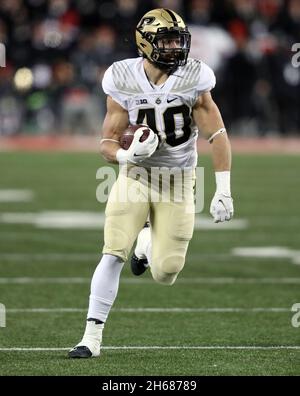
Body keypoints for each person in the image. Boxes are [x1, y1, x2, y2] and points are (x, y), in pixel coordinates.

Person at [68, 8, 234, 358]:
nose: (176, 47)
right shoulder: (122, 77)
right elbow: (107, 143)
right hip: (136, 177)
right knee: (112, 251)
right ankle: (90, 339)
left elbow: (217, 133)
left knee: (166, 271)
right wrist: (127, 157)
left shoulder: (194, 77)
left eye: (178, 39)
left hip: (179, 180)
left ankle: (145, 244)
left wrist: (223, 188)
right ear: (146, 43)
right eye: (168, 40)